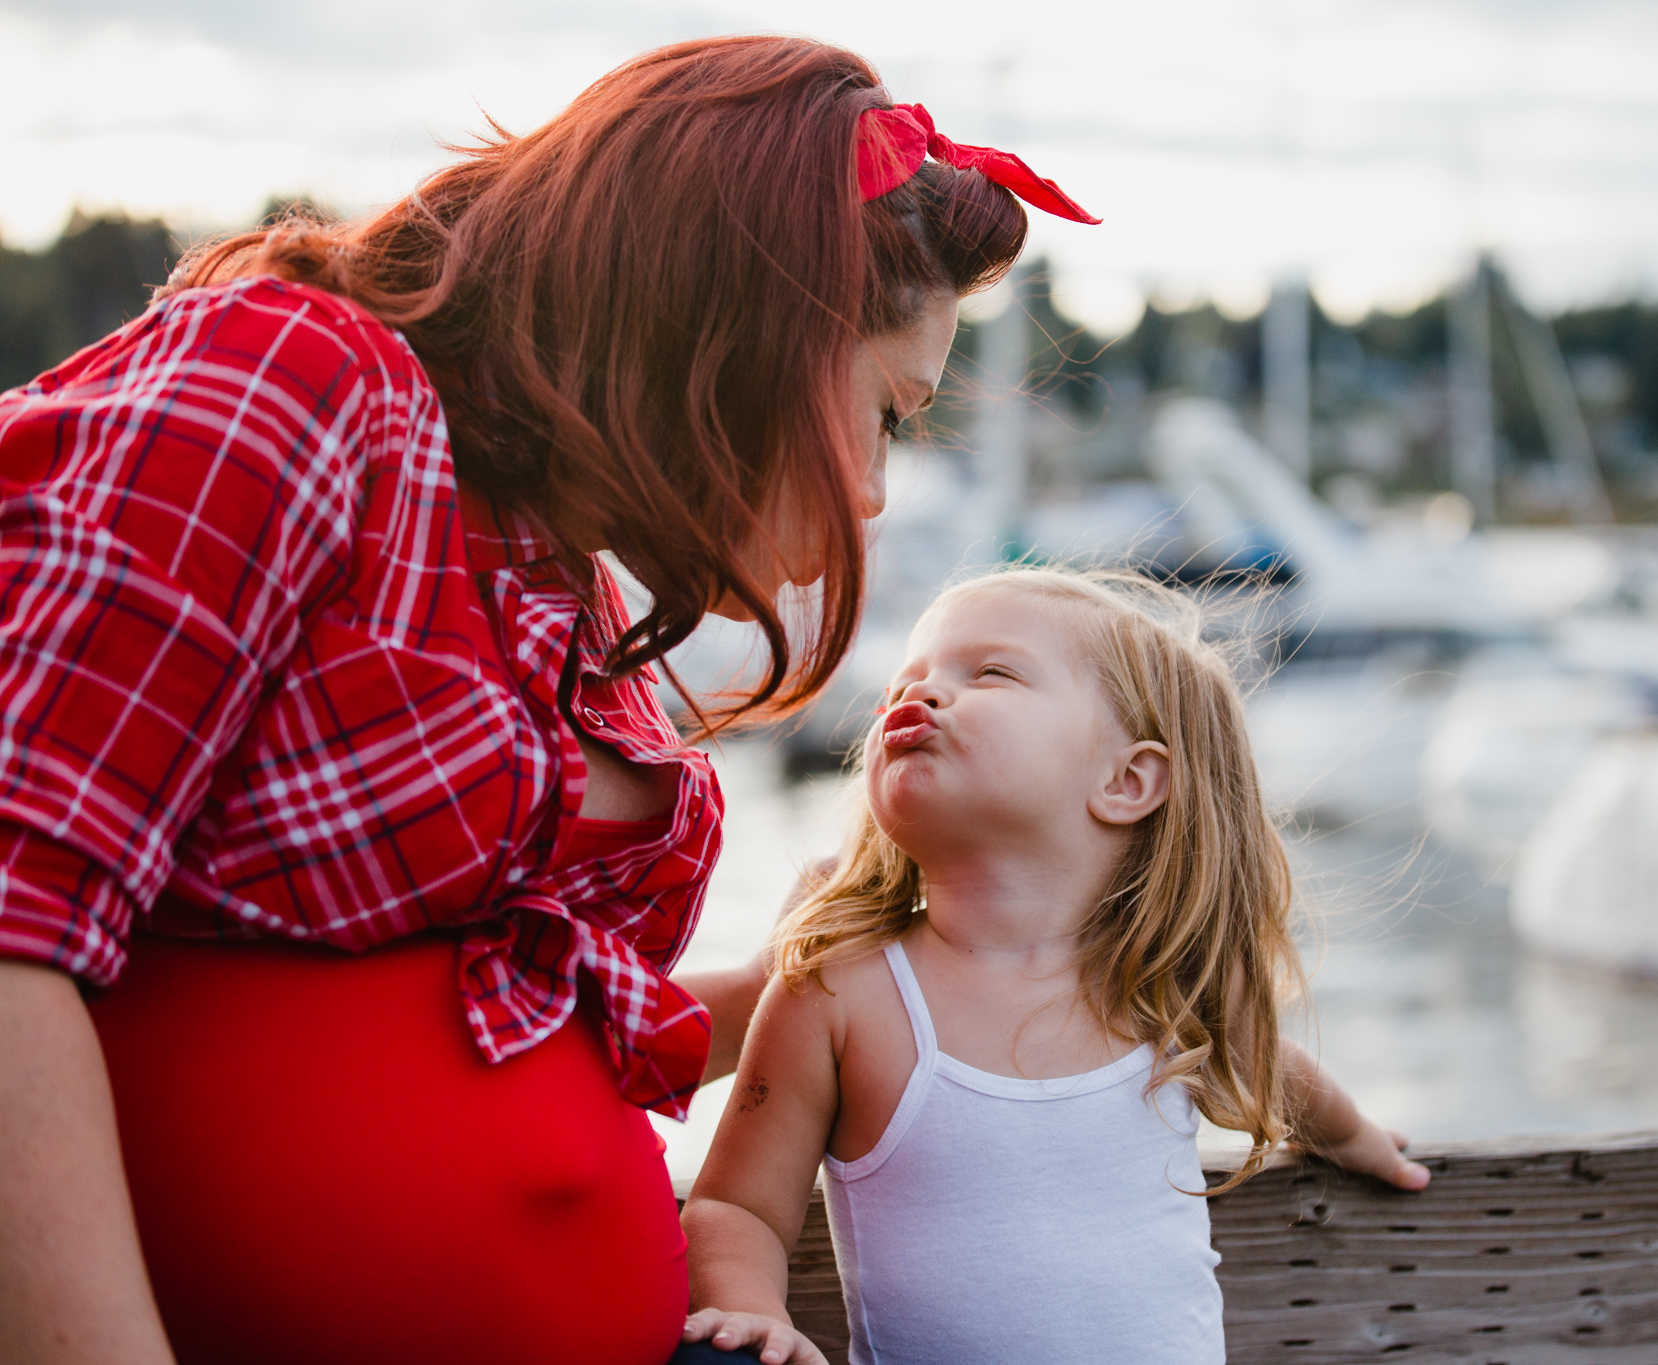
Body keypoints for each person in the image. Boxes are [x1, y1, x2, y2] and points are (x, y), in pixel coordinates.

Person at [0, 34, 1101, 1365]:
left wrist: (801, 980)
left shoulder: (549, 574)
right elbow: (17, 920)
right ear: (745, 325)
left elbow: (498, 1027)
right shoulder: (293, 379)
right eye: (887, 413)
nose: (874, 489)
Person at [679, 567, 1433, 1365]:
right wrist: (750, 1310)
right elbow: (737, 1204)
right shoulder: (839, 994)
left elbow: (1277, 1068)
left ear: (1127, 780)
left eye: (991, 672)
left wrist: (1355, 1138)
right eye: (906, 681)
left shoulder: (1160, 986)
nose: (917, 693)